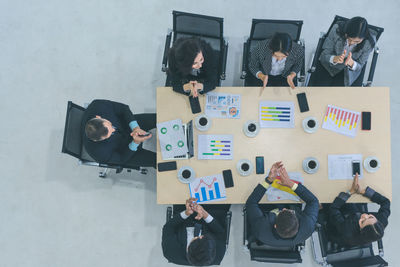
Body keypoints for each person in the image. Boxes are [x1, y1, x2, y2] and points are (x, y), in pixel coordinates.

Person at [246, 162, 319, 246]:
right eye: (290, 211)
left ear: (275, 226)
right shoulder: (308, 226)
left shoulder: (261, 229)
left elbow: (251, 203)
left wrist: (268, 180)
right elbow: (313, 201)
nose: (284, 209)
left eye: (282, 211)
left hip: (267, 211)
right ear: (298, 223)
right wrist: (290, 184)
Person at [81, 99, 156, 168]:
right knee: (157, 161)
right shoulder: (99, 153)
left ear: (98, 117)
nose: (114, 130)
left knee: (159, 118)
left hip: (125, 124)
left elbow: (123, 108)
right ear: (97, 141)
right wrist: (135, 142)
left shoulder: (98, 105)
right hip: (124, 149)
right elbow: (121, 159)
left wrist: (135, 128)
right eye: (109, 134)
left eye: (110, 125)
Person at [326, 173, 390, 247]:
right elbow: (386, 202)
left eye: (362, 221)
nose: (364, 215)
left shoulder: (347, 230)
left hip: (337, 229)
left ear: (361, 229)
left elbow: (333, 209)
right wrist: (363, 192)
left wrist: (350, 192)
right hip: (353, 215)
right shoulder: (382, 221)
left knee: (329, 197)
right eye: (370, 217)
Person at [162, 198, 230, 266]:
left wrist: (186, 213)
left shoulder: (171, 253)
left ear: (188, 247)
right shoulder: (217, 256)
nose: (202, 235)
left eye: (200, 237)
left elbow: (168, 227)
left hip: (184, 208)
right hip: (214, 211)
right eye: (204, 237)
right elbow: (220, 232)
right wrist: (205, 214)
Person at [315, 16, 376, 86]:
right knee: (320, 90)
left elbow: (360, 65)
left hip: (348, 72)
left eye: (357, 41)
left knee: (339, 94)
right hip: (328, 66)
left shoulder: (369, 42)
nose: (352, 43)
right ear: (346, 33)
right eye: (349, 39)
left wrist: (352, 63)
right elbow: (323, 55)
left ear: (364, 38)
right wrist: (334, 58)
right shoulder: (336, 30)